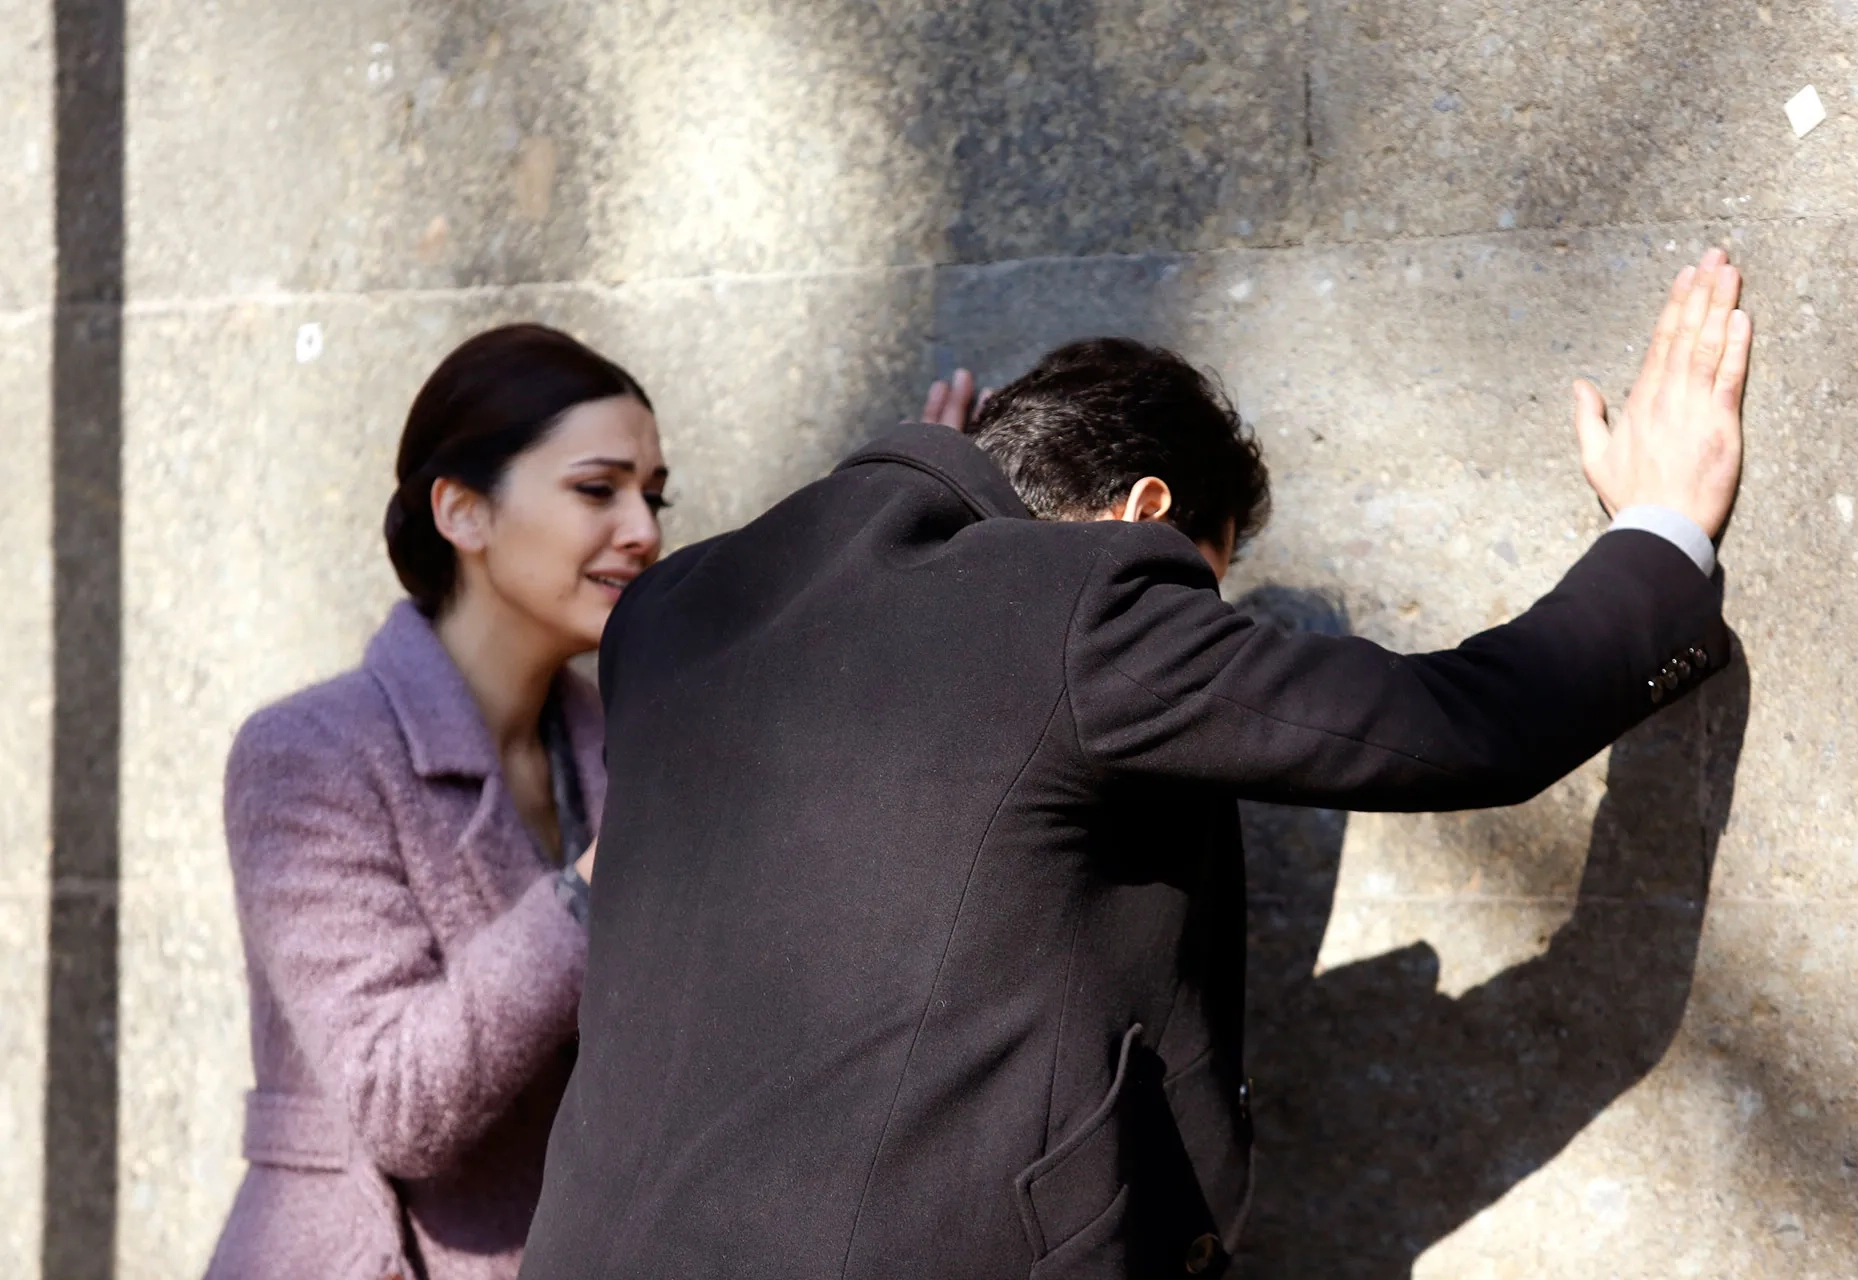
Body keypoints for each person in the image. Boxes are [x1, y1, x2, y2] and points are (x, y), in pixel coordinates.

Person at [521, 249, 1749, 1279]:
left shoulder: (679, 612)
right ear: (1143, 514)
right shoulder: (1075, 606)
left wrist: (936, 486)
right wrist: (1661, 530)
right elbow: (1465, 721)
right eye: (1202, 588)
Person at [204, 324, 666, 1280]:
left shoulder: (629, 745)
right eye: (598, 489)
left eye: (655, 496)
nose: (646, 531)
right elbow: (396, 1102)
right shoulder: (311, 753)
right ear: (462, 511)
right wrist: (588, 885)